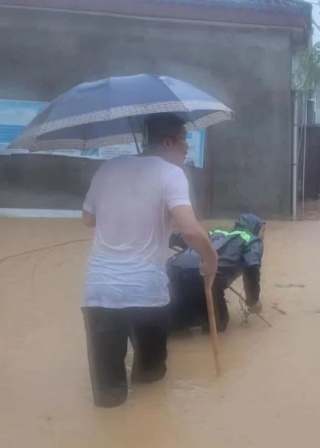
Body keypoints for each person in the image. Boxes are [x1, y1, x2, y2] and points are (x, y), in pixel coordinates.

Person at [80, 112, 219, 408]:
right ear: (168, 141)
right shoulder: (171, 174)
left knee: (109, 398)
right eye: (184, 141)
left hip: (99, 294)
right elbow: (191, 230)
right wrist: (211, 259)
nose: (186, 149)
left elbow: (88, 220)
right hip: (147, 295)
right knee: (151, 380)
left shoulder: (108, 168)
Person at [166, 213, 266, 333]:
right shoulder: (253, 241)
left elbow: (187, 238)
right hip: (207, 276)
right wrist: (253, 300)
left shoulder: (218, 233)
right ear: (254, 228)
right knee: (219, 324)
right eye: (263, 231)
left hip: (173, 268)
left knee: (175, 317)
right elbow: (252, 268)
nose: (263, 235)